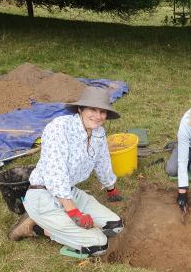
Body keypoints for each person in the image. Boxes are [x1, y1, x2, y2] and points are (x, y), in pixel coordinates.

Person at [8, 87, 124, 256]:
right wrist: (73, 211)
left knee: (116, 226)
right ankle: (35, 227)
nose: (98, 116)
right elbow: (56, 174)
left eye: (102, 111)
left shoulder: (98, 132)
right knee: (99, 245)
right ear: (80, 109)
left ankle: (55, 223)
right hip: (44, 196)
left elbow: (102, 161)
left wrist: (110, 188)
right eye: (92, 109)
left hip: (70, 192)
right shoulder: (59, 128)